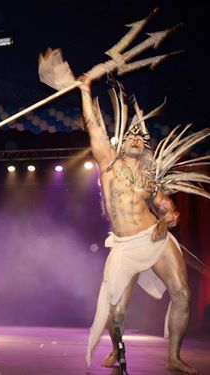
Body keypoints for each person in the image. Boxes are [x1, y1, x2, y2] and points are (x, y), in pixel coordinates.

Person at [79, 78, 198, 374]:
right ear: (121, 144)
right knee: (116, 308)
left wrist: (166, 219)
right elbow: (94, 126)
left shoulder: (150, 178)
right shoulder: (108, 164)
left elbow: (167, 210)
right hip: (124, 245)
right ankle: (119, 356)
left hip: (153, 239)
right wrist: (84, 89)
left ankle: (174, 358)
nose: (133, 137)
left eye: (139, 136)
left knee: (182, 293)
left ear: (145, 145)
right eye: (129, 134)